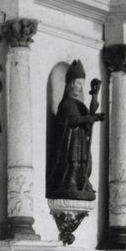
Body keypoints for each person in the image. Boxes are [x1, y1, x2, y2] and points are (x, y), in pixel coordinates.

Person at [47, 60, 102, 199]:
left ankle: (80, 182)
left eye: (82, 84)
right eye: (78, 84)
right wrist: (89, 119)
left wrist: (94, 95)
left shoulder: (79, 105)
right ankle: (69, 183)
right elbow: (70, 121)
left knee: (80, 163)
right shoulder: (66, 104)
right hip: (70, 143)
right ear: (71, 84)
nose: (80, 88)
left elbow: (89, 115)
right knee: (73, 163)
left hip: (80, 141)